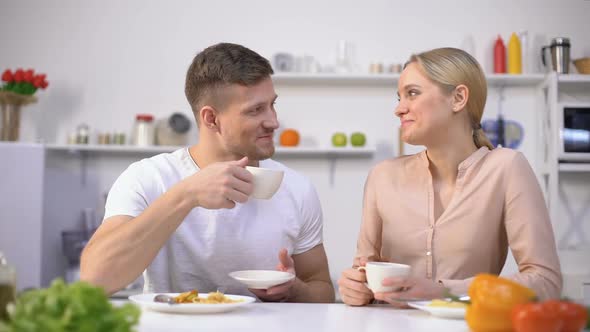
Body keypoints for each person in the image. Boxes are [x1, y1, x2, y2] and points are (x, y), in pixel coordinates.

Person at [81, 43, 335, 303]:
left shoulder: (296, 187)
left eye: (272, 105)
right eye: (256, 110)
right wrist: (186, 194)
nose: (273, 121)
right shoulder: (148, 178)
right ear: (211, 118)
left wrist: (294, 289)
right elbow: (95, 280)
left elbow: (323, 289)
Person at [337, 47, 562, 306]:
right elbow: (363, 271)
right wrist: (356, 286)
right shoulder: (382, 177)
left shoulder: (507, 168)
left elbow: (545, 281)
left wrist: (443, 291)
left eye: (412, 93)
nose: (398, 109)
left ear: (458, 98)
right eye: (398, 97)